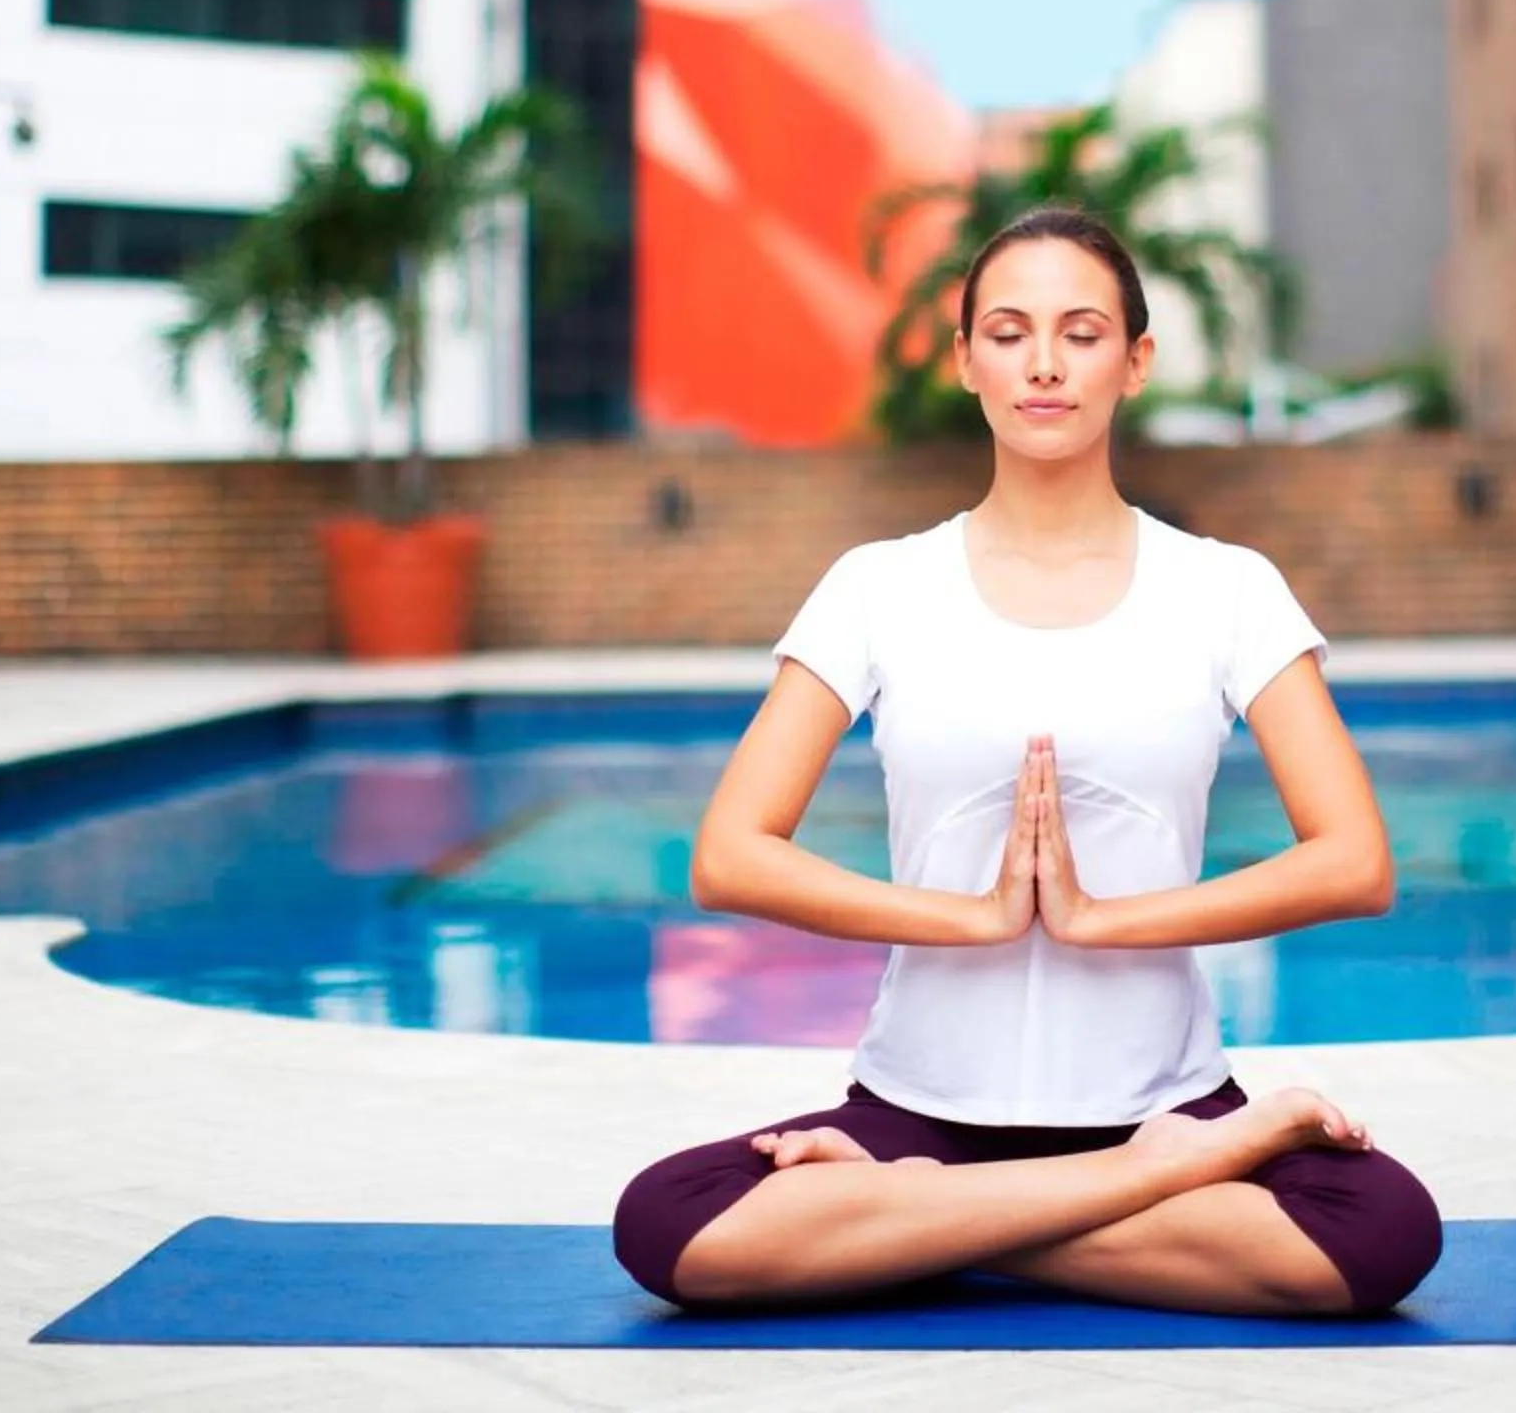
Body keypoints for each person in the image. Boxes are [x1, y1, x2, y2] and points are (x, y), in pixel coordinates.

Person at [611, 206, 1443, 1317]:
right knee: (668, 1219)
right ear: (966, 360)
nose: (1043, 363)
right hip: (923, 1103)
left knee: (1384, 1233)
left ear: (1135, 361)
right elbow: (729, 855)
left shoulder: (1227, 587)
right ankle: (1131, 1188)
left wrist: (1106, 917)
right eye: (1007, 331)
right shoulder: (878, 585)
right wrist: (976, 915)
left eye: (1082, 331)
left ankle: (922, 1224)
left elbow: (1356, 861)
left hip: (1165, 1096)